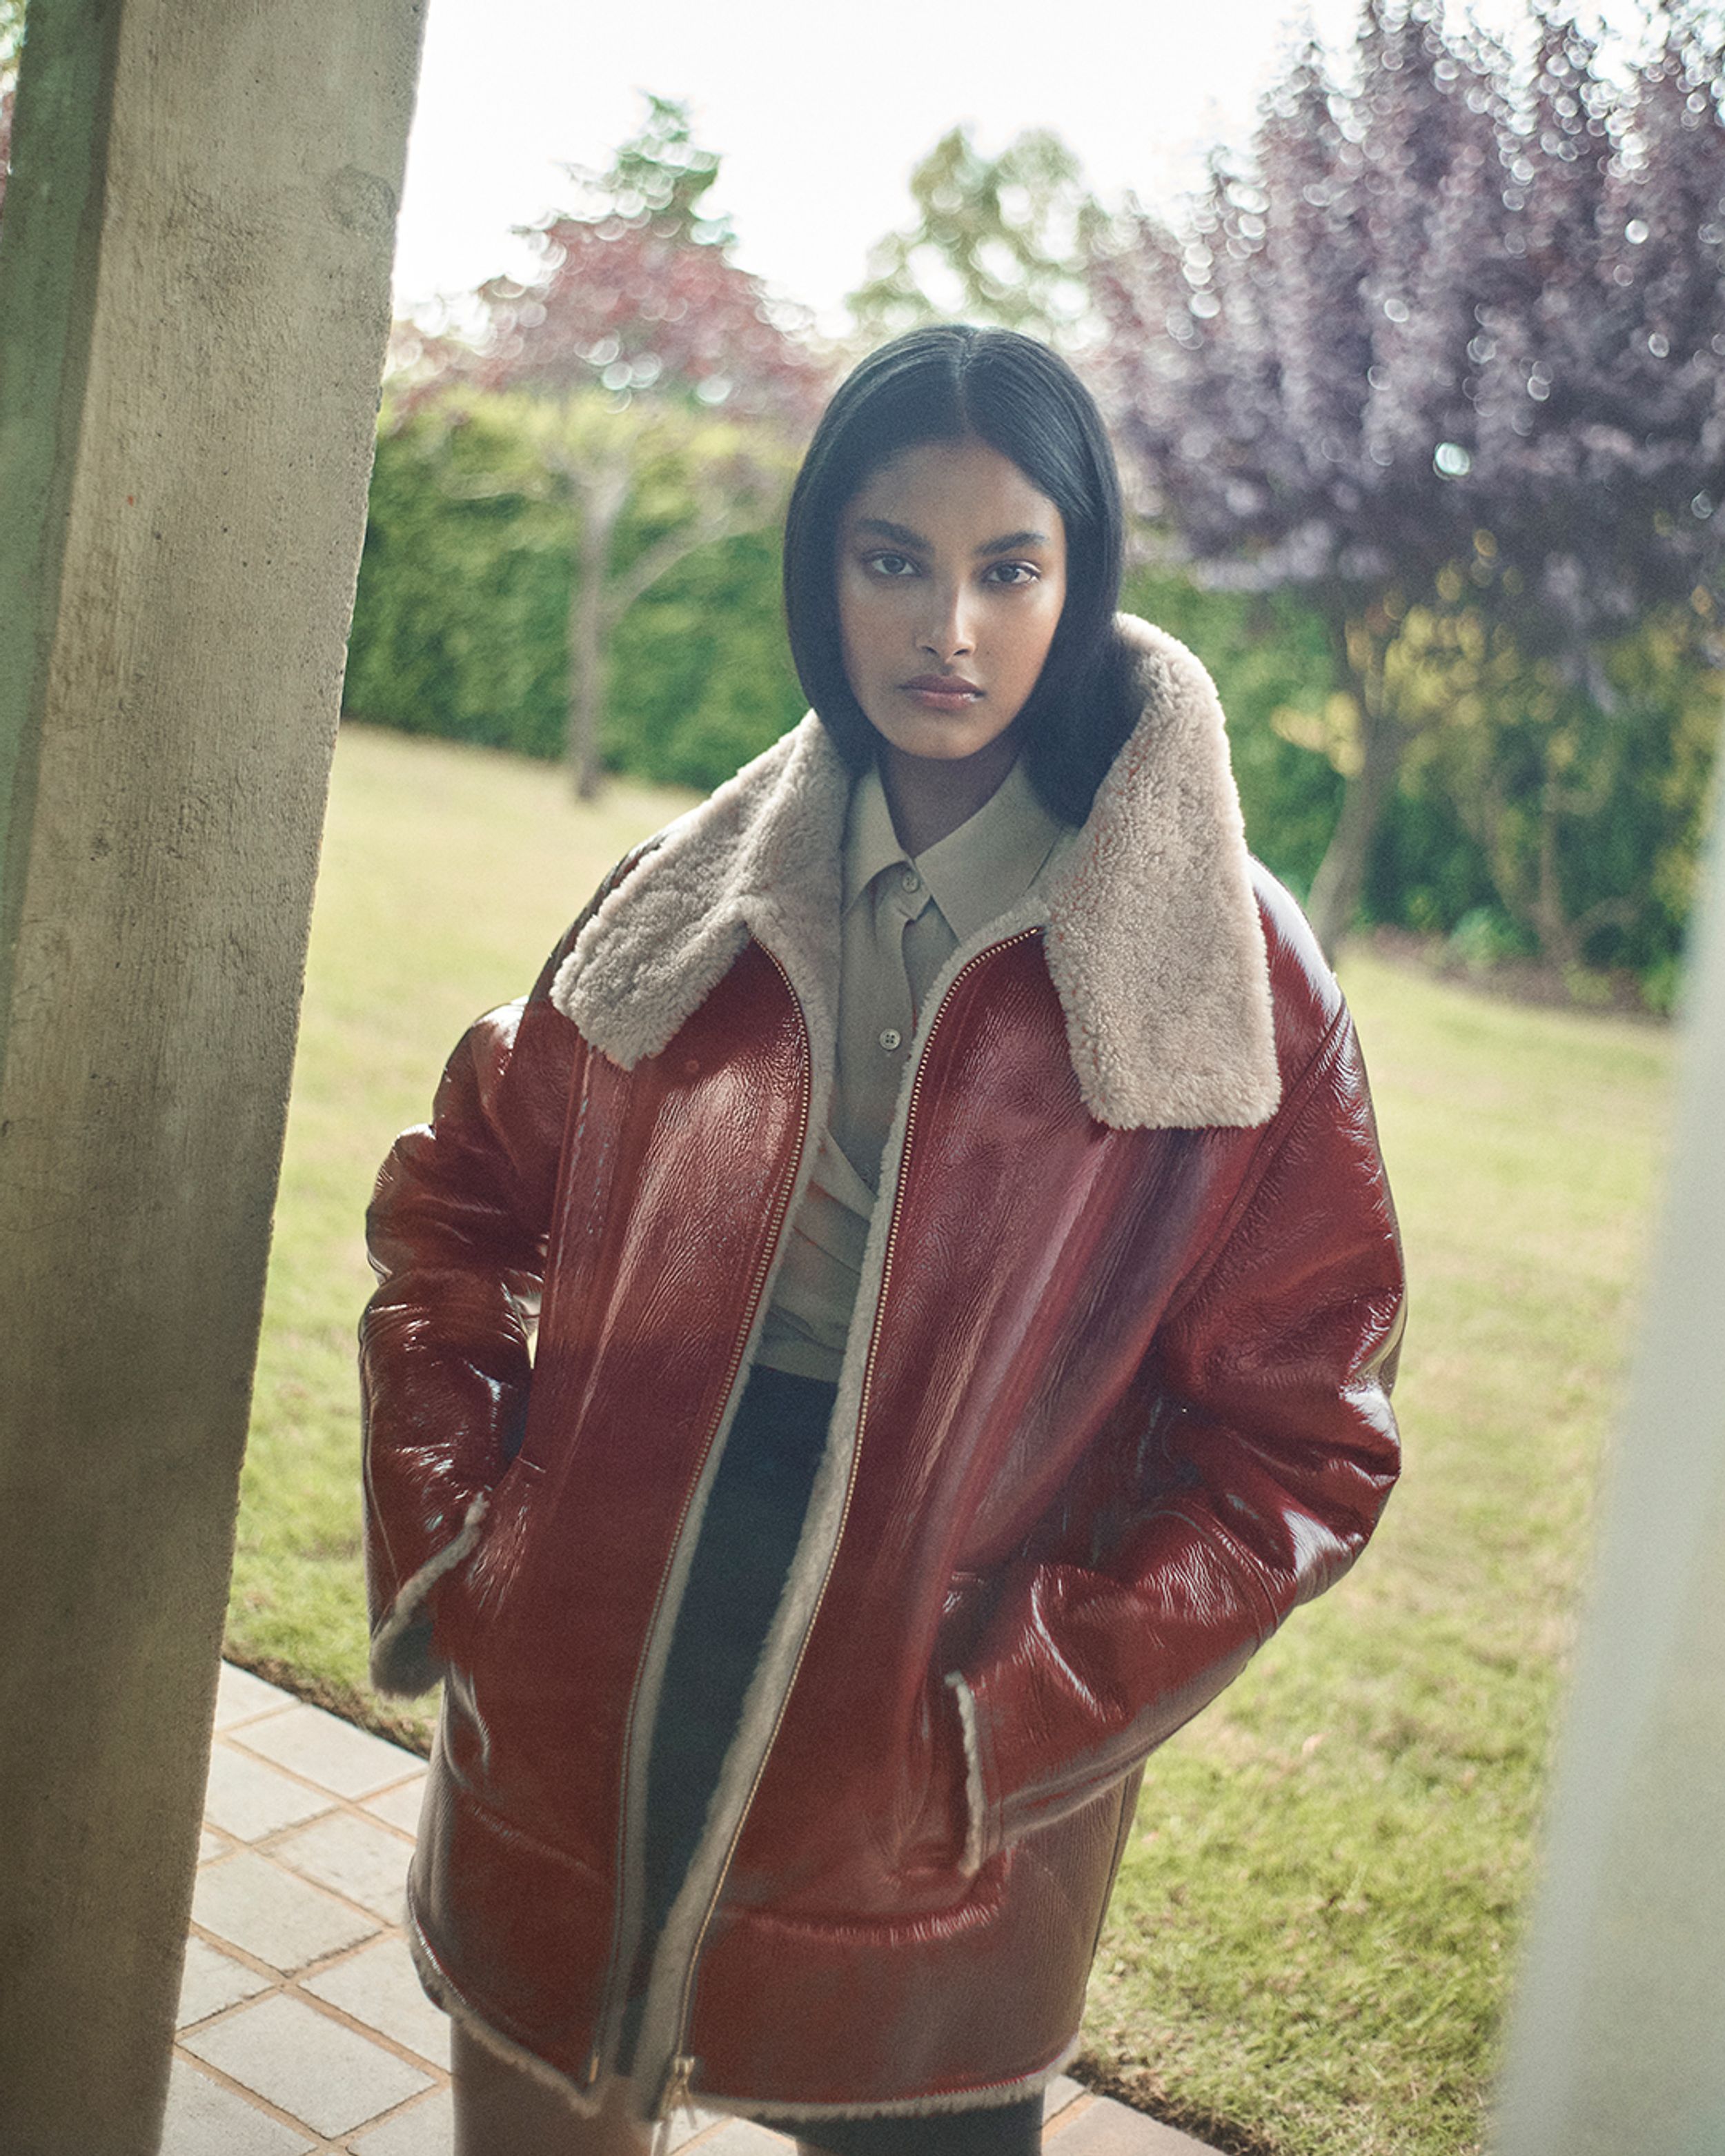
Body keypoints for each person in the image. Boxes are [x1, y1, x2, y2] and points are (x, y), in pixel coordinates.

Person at [360, 325, 1405, 2156]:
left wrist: (1007, 1728)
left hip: (939, 1726)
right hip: (593, 1657)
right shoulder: (684, 893)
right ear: (818, 571)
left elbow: (1303, 1442)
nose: (950, 627)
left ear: (1076, 585)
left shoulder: (1225, 971)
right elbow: (457, 1208)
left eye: (1009, 568)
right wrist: (460, 1538)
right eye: (891, 560)